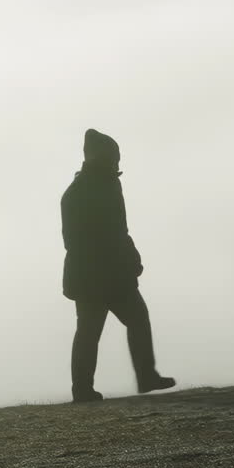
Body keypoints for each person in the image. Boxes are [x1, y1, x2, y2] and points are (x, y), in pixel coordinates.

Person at [61, 128, 175, 403]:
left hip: (103, 273)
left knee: (100, 328)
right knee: (95, 330)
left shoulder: (102, 185)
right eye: (115, 156)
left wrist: (129, 257)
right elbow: (92, 237)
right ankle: (90, 388)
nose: (119, 161)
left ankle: (99, 386)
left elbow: (118, 230)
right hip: (98, 275)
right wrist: (126, 259)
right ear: (103, 157)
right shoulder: (86, 191)